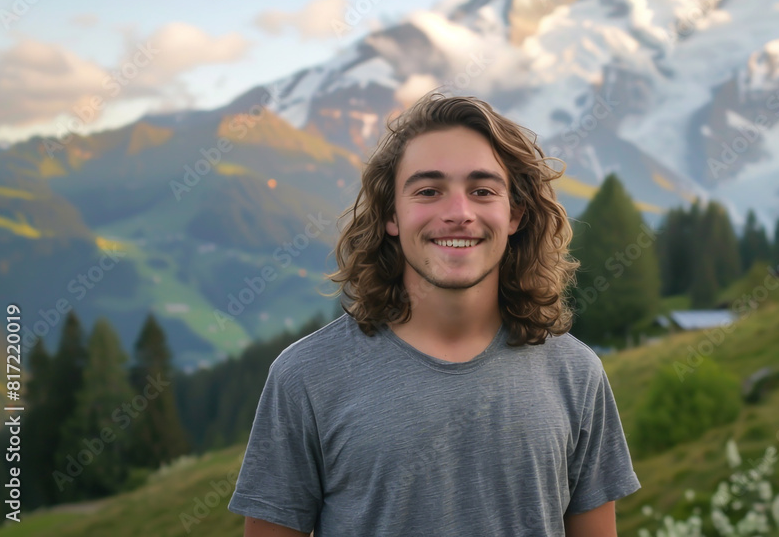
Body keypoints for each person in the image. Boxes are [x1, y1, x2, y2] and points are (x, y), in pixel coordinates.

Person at [228, 92, 640, 536]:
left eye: (482, 191)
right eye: (428, 191)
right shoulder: (304, 378)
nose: (458, 213)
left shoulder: (578, 375)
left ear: (515, 213)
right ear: (391, 215)